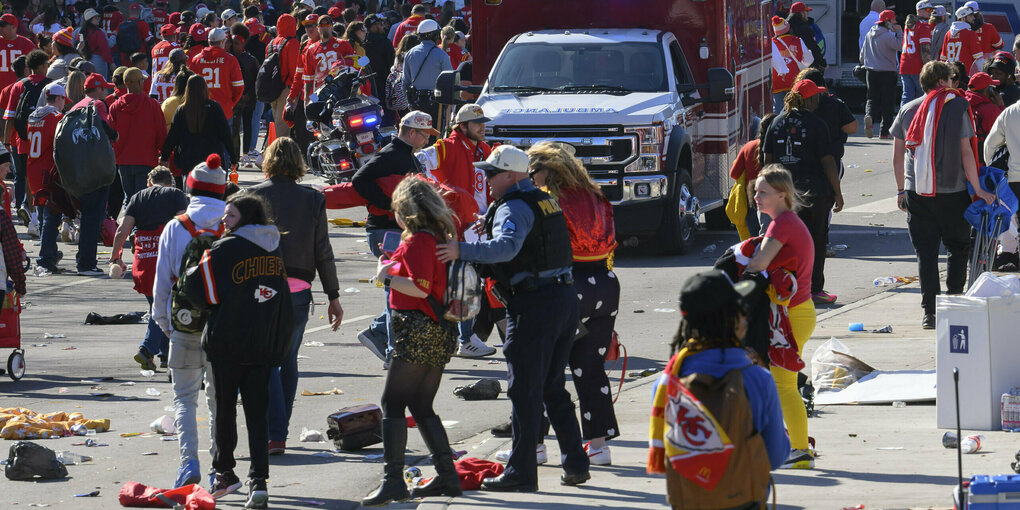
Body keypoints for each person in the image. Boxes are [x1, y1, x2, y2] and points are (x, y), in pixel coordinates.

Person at [436, 145, 589, 492]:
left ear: (511, 175)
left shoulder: (516, 206)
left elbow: (507, 248)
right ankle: (576, 464)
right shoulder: (540, 200)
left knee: (523, 391)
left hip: (535, 305)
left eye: (492, 173)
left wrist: (463, 249)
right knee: (552, 388)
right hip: (562, 300)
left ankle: (521, 472)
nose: (486, 179)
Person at [184, 192, 294, 510]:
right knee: (257, 413)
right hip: (263, 343)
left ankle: (225, 473)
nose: (224, 221)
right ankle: (258, 481)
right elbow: (280, 296)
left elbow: (194, 287)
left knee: (224, 410)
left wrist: (216, 306)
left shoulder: (225, 248)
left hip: (227, 341)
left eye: (230, 215)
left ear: (245, 218)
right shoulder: (275, 249)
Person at [648, 270, 789, 507]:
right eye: (741, 311)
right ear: (733, 320)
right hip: (745, 499)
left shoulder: (666, 384)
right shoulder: (758, 379)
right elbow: (775, 456)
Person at [361, 177, 462, 506]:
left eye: (396, 211)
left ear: (407, 210)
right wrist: (394, 265)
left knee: (392, 405)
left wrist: (386, 275)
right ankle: (447, 476)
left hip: (417, 329)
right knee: (421, 406)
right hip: (437, 329)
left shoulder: (419, 239)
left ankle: (393, 481)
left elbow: (419, 287)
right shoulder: (438, 236)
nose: (395, 217)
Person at [521, 141, 620, 466]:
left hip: (569, 288)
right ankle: (599, 445)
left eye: (532, 170)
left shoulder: (549, 201)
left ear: (549, 169)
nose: (529, 176)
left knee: (541, 369)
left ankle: (534, 445)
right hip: (605, 286)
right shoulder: (596, 196)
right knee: (590, 369)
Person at [248, 137, 343, 455]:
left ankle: (274, 431)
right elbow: (323, 251)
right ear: (299, 163)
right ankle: (280, 430)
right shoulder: (312, 199)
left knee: (266, 360)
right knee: (287, 359)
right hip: (300, 289)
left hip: (261, 287)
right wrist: (333, 294)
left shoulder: (252, 196)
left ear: (269, 162)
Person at [892, 60, 994, 329]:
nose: (954, 82)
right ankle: (954, 302)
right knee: (958, 248)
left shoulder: (907, 109)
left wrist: (901, 189)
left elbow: (897, 157)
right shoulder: (958, 106)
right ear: (941, 81)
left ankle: (930, 313)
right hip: (953, 191)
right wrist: (980, 189)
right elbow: (966, 153)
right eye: (951, 78)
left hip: (918, 192)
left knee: (925, 254)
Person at [151, 155, 227, 489]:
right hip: (223, 329)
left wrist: (165, 323)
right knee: (219, 401)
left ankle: (188, 463)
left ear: (190, 188)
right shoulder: (233, 225)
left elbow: (162, 283)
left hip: (184, 326)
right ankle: (219, 467)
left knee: (184, 398)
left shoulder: (175, 227)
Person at [742, 164, 816, 469]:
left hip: (792, 315)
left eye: (762, 192)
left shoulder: (781, 224)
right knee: (777, 383)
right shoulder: (786, 221)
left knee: (783, 385)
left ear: (782, 194)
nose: (756, 197)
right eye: (755, 191)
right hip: (795, 313)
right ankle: (794, 444)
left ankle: (798, 451)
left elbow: (758, 265)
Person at [353, 111, 434, 365]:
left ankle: (377, 333)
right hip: (386, 231)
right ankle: (392, 351)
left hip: (394, 230)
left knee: (400, 290)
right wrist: (391, 205)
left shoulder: (405, 155)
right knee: (396, 290)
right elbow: (359, 179)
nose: (427, 140)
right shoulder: (391, 155)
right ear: (412, 132)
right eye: (425, 135)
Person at [416, 103, 494, 357]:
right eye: (477, 123)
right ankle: (465, 338)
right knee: (461, 284)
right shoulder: (446, 147)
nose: (483, 127)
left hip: (477, 227)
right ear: (463, 126)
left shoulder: (484, 149)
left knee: (466, 284)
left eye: (483, 122)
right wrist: (442, 195)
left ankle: (465, 337)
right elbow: (417, 163)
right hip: (454, 229)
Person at [763, 79, 843, 305]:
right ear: (809, 99)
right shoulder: (817, 124)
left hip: (784, 196)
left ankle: (788, 289)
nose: (818, 99)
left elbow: (767, 162)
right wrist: (837, 192)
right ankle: (814, 290)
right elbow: (827, 161)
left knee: (787, 244)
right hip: (815, 194)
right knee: (816, 241)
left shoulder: (776, 123)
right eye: (816, 96)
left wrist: (766, 193)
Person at [109, 167, 188, 370]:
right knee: (163, 308)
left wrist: (115, 257)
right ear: (171, 182)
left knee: (157, 305)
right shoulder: (176, 195)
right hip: (167, 259)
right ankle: (146, 349)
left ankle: (164, 355)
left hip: (143, 259)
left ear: (149, 181)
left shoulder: (138, 198)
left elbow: (121, 230)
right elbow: (183, 226)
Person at [3, 49, 49, 235]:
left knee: (25, 178)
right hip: (43, 142)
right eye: (46, 64)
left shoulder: (19, 86)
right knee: (42, 182)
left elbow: (10, 117)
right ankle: (37, 218)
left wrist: (6, 142)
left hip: (20, 141)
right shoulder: (49, 85)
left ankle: (28, 211)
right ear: (40, 66)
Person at [161, 74, 232, 183]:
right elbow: (226, 134)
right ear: (205, 88)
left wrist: (164, 157)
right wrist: (233, 156)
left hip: (188, 160)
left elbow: (172, 137)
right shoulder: (214, 107)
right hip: (211, 159)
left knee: (190, 192)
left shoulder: (182, 110)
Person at [110, 67, 167, 202]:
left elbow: (111, 135)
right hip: (146, 160)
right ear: (140, 82)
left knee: (129, 200)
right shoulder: (152, 104)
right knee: (143, 200)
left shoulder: (115, 106)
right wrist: (164, 155)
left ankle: (129, 222)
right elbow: (161, 132)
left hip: (123, 161)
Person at [27, 81, 65, 274]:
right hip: (48, 173)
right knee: (51, 218)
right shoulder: (57, 117)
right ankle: (45, 258)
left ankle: (50, 252)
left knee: (43, 217)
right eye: (63, 99)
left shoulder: (33, 116)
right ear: (58, 98)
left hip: (33, 170)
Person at [797, 68, 858, 177]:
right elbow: (852, 128)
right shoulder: (835, 105)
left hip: (802, 159)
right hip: (831, 157)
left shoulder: (793, 106)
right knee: (830, 191)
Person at [728, 113, 777, 239]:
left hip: (752, 200)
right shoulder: (779, 147)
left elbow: (734, 173)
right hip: (775, 200)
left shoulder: (748, 147)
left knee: (754, 243)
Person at [190, 27, 243, 135]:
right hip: (224, 109)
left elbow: (191, 87)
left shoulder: (196, 59)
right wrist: (231, 103)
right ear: (223, 41)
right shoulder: (230, 59)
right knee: (224, 146)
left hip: (201, 110)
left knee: (204, 147)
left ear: (209, 41)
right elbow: (239, 87)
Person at [861, 9, 903, 139]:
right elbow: (901, 46)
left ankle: (870, 116)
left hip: (871, 72)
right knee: (887, 102)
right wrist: (900, 32)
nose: (895, 22)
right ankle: (884, 132)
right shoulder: (888, 36)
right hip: (887, 72)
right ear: (887, 22)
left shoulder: (869, 34)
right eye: (893, 20)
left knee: (872, 99)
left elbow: (862, 55)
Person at [402, 19, 452, 126]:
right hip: (436, 104)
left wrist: (410, 102)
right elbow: (450, 82)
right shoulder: (442, 55)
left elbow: (405, 82)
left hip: (416, 103)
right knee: (435, 136)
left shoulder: (410, 54)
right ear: (435, 35)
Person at [229, 23, 258, 167]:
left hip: (247, 99)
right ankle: (234, 156)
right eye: (233, 43)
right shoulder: (228, 59)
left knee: (247, 126)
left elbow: (256, 81)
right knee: (234, 129)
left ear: (243, 43)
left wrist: (249, 95)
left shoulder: (251, 60)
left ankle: (245, 154)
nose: (235, 46)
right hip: (233, 100)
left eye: (237, 43)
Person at [771, 15, 813, 114]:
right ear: (788, 28)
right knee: (796, 109)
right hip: (795, 81)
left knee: (778, 111)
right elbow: (809, 60)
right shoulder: (798, 41)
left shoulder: (772, 43)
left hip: (778, 81)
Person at [269, 14, 300, 140]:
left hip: (273, 89)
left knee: (277, 123)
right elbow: (295, 70)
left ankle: (268, 153)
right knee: (283, 129)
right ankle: (277, 156)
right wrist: (296, 90)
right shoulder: (292, 43)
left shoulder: (271, 43)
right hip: (286, 89)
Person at [900, 1, 934, 106]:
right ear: (919, 11)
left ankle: (902, 120)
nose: (930, 13)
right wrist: (928, 68)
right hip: (917, 67)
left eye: (931, 10)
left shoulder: (909, 25)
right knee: (922, 97)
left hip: (904, 65)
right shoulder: (924, 26)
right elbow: (925, 50)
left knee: (906, 96)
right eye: (928, 10)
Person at [966, 71, 1004, 163]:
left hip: (968, 160)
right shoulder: (991, 109)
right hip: (986, 163)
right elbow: (1006, 132)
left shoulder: (963, 104)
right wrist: (1001, 106)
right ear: (988, 90)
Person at [363, 13, 394, 113]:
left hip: (369, 86)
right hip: (385, 84)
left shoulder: (363, 44)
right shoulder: (386, 43)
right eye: (380, 24)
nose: (382, 26)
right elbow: (392, 64)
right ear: (374, 26)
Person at [940, 6, 984, 75]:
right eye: (971, 16)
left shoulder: (948, 33)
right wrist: (983, 73)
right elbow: (978, 59)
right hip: (966, 75)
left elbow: (943, 59)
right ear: (963, 19)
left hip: (950, 75)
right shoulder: (970, 33)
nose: (974, 18)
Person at [786, 2, 824, 68]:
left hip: (789, 63)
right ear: (802, 13)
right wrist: (822, 63)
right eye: (806, 12)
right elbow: (813, 47)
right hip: (805, 65)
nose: (807, 15)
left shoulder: (785, 27)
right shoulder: (805, 29)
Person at [80, 9, 112, 78]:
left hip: (86, 60)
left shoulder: (81, 32)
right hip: (99, 61)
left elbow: (79, 46)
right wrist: (111, 63)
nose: (98, 19)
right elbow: (105, 49)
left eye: (98, 17)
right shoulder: (99, 32)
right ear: (90, 20)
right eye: (96, 17)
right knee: (101, 82)